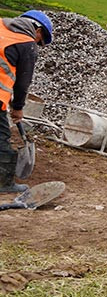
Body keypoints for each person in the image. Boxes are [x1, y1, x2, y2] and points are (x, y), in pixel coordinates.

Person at [0, 10, 53, 193]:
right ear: (37, 30)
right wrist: (18, 108)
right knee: (2, 139)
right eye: (40, 40)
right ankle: (4, 184)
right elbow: (23, 83)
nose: (38, 43)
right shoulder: (27, 44)